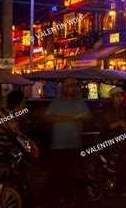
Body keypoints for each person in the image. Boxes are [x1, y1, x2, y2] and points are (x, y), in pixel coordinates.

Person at [45, 78, 92, 206]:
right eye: (71, 86)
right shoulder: (56, 102)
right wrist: (70, 117)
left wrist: (82, 116)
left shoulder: (80, 102)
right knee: (59, 174)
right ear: (64, 88)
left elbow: (88, 117)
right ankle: (59, 198)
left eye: (76, 86)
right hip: (59, 144)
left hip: (74, 143)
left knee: (72, 174)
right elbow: (48, 117)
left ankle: (70, 198)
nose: (75, 88)